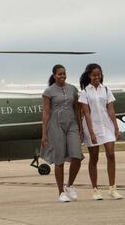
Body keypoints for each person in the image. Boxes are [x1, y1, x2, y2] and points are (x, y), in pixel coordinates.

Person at [79, 63, 123, 200]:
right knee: (94, 158)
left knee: (111, 155)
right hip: (92, 128)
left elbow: (111, 110)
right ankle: (95, 190)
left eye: (99, 74)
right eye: (94, 75)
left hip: (107, 126)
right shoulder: (85, 92)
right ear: (89, 76)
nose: (96, 77)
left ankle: (112, 188)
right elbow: (86, 113)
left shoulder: (106, 90)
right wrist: (91, 133)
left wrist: (116, 128)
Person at [41, 64, 84, 202]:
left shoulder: (72, 89)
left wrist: (80, 127)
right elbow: (46, 113)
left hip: (72, 124)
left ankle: (69, 185)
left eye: (64, 74)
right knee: (59, 159)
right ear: (54, 76)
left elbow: (77, 110)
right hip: (55, 125)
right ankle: (61, 192)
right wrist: (44, 133)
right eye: (60, 74)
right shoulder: (49, 92)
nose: (63, 76)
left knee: (77, 156)